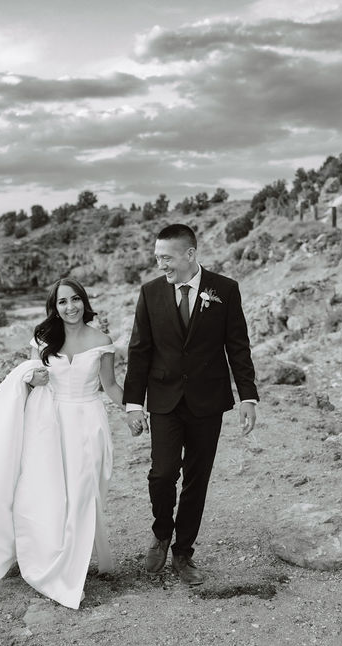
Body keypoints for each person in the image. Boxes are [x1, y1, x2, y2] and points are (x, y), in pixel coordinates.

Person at [0, 278, 124, 609]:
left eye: (76, 299)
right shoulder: (44, 338)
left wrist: (136, 409)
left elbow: (110, 386)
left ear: (84, 301)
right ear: (55, 306)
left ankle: (71, 566)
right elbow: (27, 377)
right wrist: (29, 378)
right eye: (63, 302)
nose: (70, 307)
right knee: (47, 493)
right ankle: (54, 563)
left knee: (83, 493)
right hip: (48, 423)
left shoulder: (102, 340)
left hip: (88, 423)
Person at [123, 223, 259, 585]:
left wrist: (248, 395)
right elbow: (140, 351)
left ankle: (183, 553)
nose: (160, 264)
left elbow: (237, 345)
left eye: (166, 257)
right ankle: (161, 532)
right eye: (157, 258)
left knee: (197, 480)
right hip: (165, 399)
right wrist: (133, 403)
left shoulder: (225, 290)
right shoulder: (150, 293)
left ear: (190, 255)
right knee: (162, 474)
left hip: (208, 401)